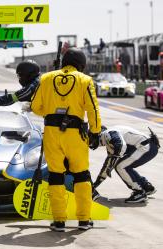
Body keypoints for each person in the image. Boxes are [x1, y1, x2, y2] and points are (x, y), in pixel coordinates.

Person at [30, 48, 102, 232]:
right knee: (81, 175)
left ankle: (59, 221)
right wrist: (95, 131)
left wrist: (51, 110)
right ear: (81, 64)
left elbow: (35, 106)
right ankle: (84, 220)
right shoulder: (85, 80)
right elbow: (93, 109)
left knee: (56, 175)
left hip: (52, 133)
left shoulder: (46, 78)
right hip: (75, 134)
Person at [93, 125, 160, 203]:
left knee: (120, 166)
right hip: (149, 147)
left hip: (146, 147)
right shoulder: (110, 137)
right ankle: (146, 187)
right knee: (123, 165)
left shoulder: (108, 134)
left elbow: (121, 146)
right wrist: (96, 183)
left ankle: (139, 192)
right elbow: (108, 164)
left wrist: (113, 162)